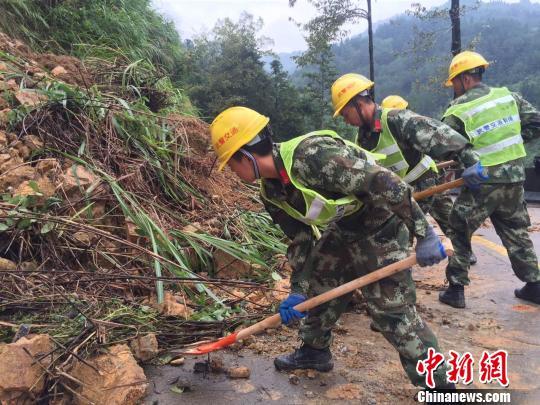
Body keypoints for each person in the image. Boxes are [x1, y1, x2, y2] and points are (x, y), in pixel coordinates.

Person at [209, 106, 454, 388]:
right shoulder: (272, 191)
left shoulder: (312, 156)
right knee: (321, 280)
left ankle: (440, 385)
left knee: (391, 311)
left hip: (381, 224)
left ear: (246, 156)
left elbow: (383, 181)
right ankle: (315, 351)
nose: (230, 170)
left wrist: (423, 232)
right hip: (345, 227)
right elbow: (300, 240)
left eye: (230, 162)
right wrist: (299, 290)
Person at [331, 75, 478, 264]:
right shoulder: (362, 139)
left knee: (398, 230)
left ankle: (444, 263)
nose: (346, 121)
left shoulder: (395, 119)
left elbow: (438, 134)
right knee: (392, 229)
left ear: (358, 104)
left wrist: (470, 160)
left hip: (424, 182)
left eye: (345, 114)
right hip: (401, 191)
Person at [438, 50, 540, 308]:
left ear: (463, 79)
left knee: (458, 229)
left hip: (482, 182)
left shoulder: (458, 108)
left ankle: (456, 290)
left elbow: (443, 143)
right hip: (515, 178)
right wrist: (515, 144)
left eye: (455, 84)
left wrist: (466, 160)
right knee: (516, 231)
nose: (455, 90)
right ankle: (535, 286)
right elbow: (536, 123)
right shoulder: (508, 97)